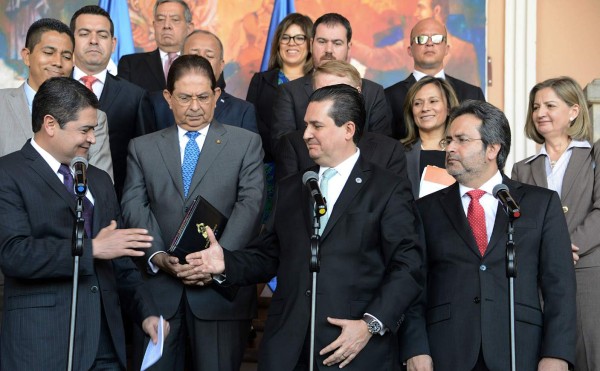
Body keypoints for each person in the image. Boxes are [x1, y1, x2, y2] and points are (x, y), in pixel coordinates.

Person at [190, 84, 423, 370]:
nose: (306, 134)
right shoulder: (293, 187)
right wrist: (224, 262)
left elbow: (408, 264)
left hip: (354, 347)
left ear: (348, 129)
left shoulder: (387, 188)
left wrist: (370, 324)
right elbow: (268, 256)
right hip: (288, 348)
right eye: (305, 125)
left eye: (317, 125)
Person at [0, 77, 165, 370]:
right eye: (85, 129)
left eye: (94, 130)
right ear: (50, 124)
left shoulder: (99, 180)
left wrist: (147, 313)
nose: (92, 138)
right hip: (43, 344)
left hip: (105, 344)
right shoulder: (8, 173)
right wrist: (91, 249)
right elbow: (14, 255)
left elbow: (121, 261)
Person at [401, 100, 576, 370]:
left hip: (519, 349)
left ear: (492, 148)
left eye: (461, 140)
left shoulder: (541, 204)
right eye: (448, 140)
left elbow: (560, 286)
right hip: (445, 350)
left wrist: (557, 354)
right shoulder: (425, 209)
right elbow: (413, 284)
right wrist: (415, 347)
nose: (449, 148)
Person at [121, 55, 264, 371]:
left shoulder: (246, 144)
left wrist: (216, 261)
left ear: (216, 96)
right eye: (185, 97)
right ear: (168, 98)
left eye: (203, 96)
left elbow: (251, 205)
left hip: (220, 296)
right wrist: (157, 255)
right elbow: (134, 205)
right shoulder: (142, 147)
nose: (195, 106)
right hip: (159, 296)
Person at [0, 18, 113, 325]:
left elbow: (98, 184)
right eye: (49, 52)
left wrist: (84, 248)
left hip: (67, 263)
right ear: (26, 56)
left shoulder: (94, 117)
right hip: (12, 246)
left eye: (66, 55)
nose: (58, 62)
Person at [511, 76, 600, 371]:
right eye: (536, 107)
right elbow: (517, 223)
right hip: (540, 279)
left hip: (587, 275)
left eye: (550, 105)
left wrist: (563, 248)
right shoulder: (522, 168)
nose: (540, 113)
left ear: (574, 111)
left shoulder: (594, 155)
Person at [271, 13, 393, 153]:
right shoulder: (289, 92)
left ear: (349, 47)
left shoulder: (373, 92)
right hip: (308, 173)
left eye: (337, 43)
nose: (329, 50)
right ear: (311, 44)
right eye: (322, 41)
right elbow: (283, 147)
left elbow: (381, 145)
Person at [70, 5, 157, 200]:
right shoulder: (53, 89)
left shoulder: (135, 97)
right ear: (71, 40)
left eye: (102, 35)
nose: (93, 41)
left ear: (113, 43)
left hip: (114, 205)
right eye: (84, 33)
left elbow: (144, 162)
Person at [276, 60, 407, 181]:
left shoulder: (388, 151)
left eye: (338, 92)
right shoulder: (294, 146)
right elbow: (288, 202)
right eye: (321, 93)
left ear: (358, 93)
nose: (329, 100)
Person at [384, 17, 484, 139]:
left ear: (447, 49)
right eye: (421, 39)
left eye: (437, 39)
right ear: (410, 50)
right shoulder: (389, 96)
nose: (429, 43)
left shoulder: (472, 94)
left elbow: (483, 141)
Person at [150, 29, 258, 134]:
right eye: (194, 54)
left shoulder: (242, 111)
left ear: (221, 65)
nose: (201, 60)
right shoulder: (155, 105)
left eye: (209, 56)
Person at [352, 0, 480, 87]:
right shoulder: (409, 46)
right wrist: (345, 41)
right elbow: (376, 57)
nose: (415, 13)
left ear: (436, 11)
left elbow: (472, 96)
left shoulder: (464, 51)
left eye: (421, 7)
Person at [246, 12, 313, 165]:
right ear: (278, 43)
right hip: (265, 166)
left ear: (310, 44)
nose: (292, 43)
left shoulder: (319, 83)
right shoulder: (260, 81)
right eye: (285, 37)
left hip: (307, 166)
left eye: (299, 38)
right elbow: (251, 127)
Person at [401, 76, 459, 199]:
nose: (425, 108)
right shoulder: (398, 153)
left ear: (448, 108)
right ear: (411, 111)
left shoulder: (463, 151)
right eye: (418, 103)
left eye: (433, 101)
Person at [118, 0, 193, 92]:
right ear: (154, 26)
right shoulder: (131, 64)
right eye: (160, 19)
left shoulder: (200, 64)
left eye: (175, 20)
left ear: (189, 28)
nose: (166, 25)